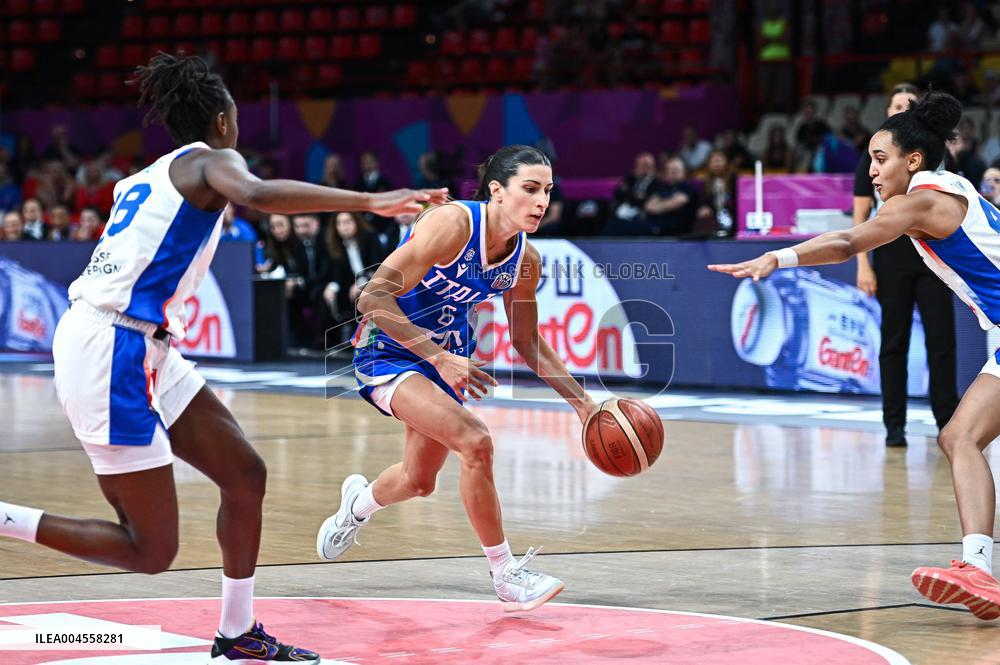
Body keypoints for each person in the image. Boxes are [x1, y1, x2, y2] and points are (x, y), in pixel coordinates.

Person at [0, 53, 446, 664]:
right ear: (223, 119)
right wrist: (372, 202)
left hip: (136, 342)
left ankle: (238, 634)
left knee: (245, 475)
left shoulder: (148, 175)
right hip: (113, 348)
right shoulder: (214, 159)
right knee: (149, 551)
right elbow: (260, 193)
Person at [709, 91, 1000, 619]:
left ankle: (979, 565)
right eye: (870, 157)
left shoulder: (920, 199)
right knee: (959, 437)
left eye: (880, 157)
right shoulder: (955, 186)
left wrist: (780, 255)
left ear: (913, 160)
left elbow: (847, 242)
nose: (870, 169)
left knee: (961, 437)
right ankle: (978, 567)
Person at [317, 145, 598, 612]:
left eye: (547, 190)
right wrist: (438, 356)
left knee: (418, 480)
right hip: (387, 348)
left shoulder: (526, 262)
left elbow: (526, 342)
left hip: (445, 357)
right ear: (496, 191)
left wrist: (583, 403)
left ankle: (357, 505)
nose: (541, 201)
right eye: (529, 189)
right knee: (476, 441)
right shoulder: (451, 224)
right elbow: (371, 299)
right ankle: (506, 574)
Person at [853, 82, 958, 447]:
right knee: (894, 339)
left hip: (934, 253)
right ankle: (893, 424)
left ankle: (947, 421)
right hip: (891, 250)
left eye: (907, 103)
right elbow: (860, 218)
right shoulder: (877, 156)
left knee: (941, 339)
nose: (900, 107)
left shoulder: (938, 156)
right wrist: (863, 266)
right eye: (895, 103)